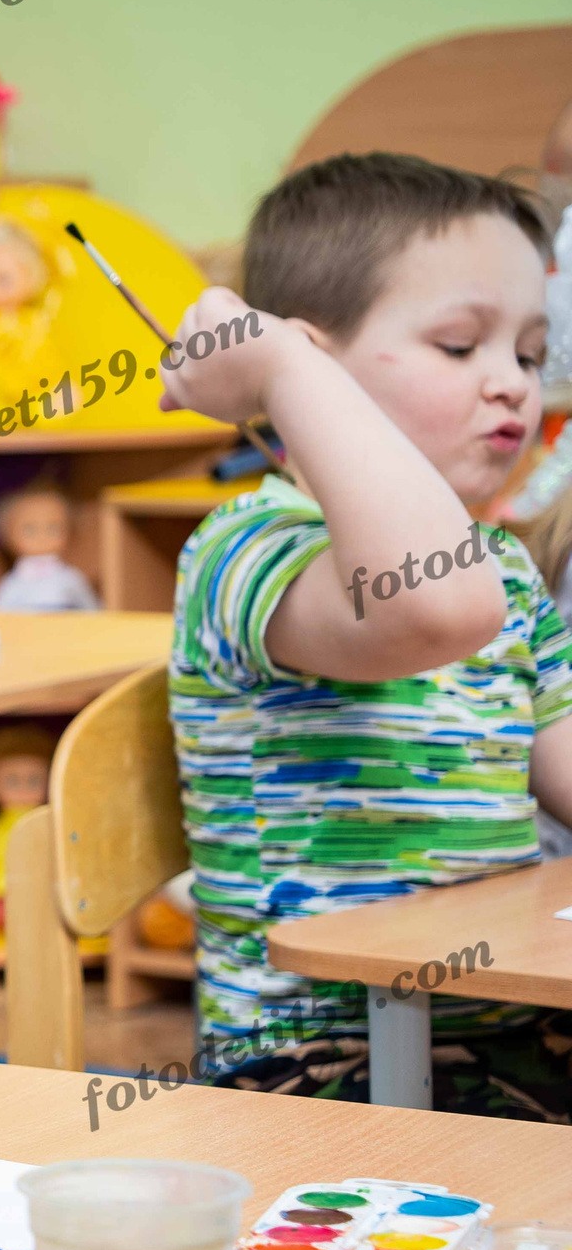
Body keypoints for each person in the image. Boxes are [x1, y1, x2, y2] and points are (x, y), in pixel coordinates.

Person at [164, 151, 565, 1116]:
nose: (512, 385)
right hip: (314, 1070)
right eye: (460, 345)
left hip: (514, 1025)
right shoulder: (250, 546)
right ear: (313, 364)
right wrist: (280, 369)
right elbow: (435, 607)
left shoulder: (503, 568)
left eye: (528, 353)